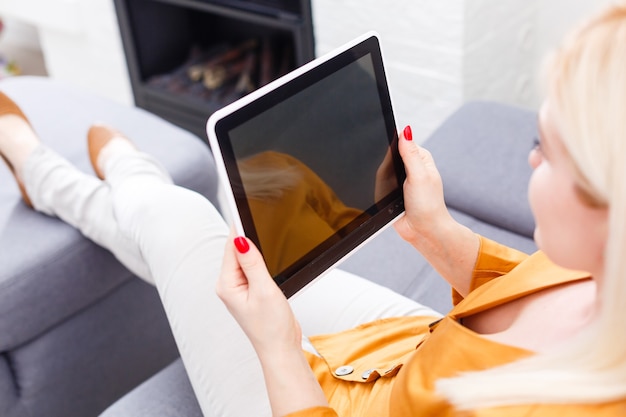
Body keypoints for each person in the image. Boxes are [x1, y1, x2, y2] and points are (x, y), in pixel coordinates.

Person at [1, 2, 625, 416]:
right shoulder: (608, 276)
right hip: (412, 353)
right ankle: (121, 188)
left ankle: (57, 174)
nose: (530, 161)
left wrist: (277, 348)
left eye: (546, 147)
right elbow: (525, 298)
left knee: (185, 222)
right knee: (277, 184)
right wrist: (434, 231)